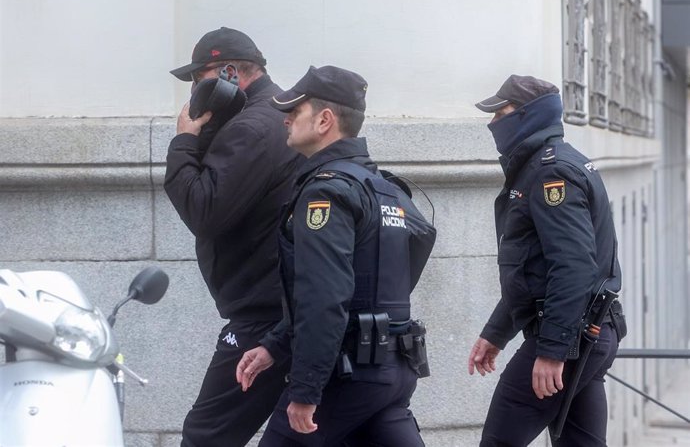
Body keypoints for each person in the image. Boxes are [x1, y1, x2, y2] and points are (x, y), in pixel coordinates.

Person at [234, 65, 436, 446]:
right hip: (393, 371)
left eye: (295, 109)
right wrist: (274, 345)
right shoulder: (385, 189)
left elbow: (323, 296)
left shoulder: (326, 193)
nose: (286, 118)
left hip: (346, 376)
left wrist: (306, 390)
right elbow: (396, 266)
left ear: (325, 120)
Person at [467, 74, 626, 446]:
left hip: (571, 338)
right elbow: (531, 271)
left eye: (499, 113)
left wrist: (554, 351)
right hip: (589, 333)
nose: (492, 123)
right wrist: (496, 332)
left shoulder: (551, 173)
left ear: (525, 116)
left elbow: (573, 266)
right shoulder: (548, 166)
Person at [165, 27, 303, 447]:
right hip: (286, 308)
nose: (193, 92)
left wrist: (185, 138)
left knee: (206, 434)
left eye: (198, 79)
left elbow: (203, 210)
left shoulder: (252, 127)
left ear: (227, 73)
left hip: (263, 316)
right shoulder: (277, 114)